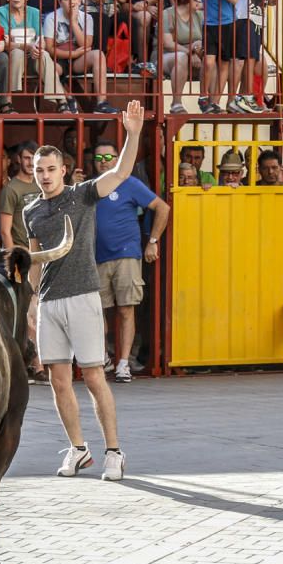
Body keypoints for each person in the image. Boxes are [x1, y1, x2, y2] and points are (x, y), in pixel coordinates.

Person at [22, 100, 144, 482]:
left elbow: (122, 171)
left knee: (93, 376)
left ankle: (113, 452)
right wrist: (31, 302)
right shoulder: (30, 210)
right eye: (38, 170)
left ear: (62, 170)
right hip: (49, 301)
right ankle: (77, 449)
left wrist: (133, 132)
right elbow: (36, 258)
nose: (44, 175)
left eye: (50, 169)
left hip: (83, 296)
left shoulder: (83, 194)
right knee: (58, 380)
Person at [92, 140, 169, 383]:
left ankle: (123, 364)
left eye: (109, 158)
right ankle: (102, 357)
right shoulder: (89, 187)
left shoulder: (130, 183)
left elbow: (162, 207)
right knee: (97, 311)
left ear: (118, 159)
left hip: (126, 254)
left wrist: (153, 241)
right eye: (99, 158)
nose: (104, 163)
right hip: (96, 257)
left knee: (126, 309)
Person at [42, 0, 117, 114]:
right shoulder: (51, 18)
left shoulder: (87, 18)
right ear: (60, 2)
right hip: (59, 59)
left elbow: (87, 44)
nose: (71, 2)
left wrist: (74, 23)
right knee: (47, 67)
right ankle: (67, 98)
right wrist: (71, 53)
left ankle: (101, 103)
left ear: (80, 0)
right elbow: (49, 48)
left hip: (79, 59)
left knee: (98, 54)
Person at [189, 0, 238, 114]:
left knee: (224, 63)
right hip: (209, 24)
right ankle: (203, 96)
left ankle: (215, 101)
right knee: (209, 61)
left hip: (227, 23)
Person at [232, 0, 277, 113]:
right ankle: (245, 96)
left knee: (253, 59)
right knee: (248, 59)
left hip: (258, 20)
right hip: (246, 18)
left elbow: (266, 0)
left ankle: (246, 97)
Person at [113, 0, 161, 68]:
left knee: (151, 15)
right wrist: (135, 7)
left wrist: (145, 4)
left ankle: (150, 61)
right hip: (124, 10)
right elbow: (119, 3)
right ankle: (142, 62)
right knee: (144, 17)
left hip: (146, 6)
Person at [161, 0, 204, 114]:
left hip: (194, 55)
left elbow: (205, 41)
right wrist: (191, 52)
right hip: (167, 56)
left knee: (210, 56)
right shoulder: (167, 14)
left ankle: (208, 101)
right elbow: (168, 44)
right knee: (181, 57)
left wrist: (197, 47)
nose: (199, 1)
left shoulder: (200, 15)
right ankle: (176, 103)